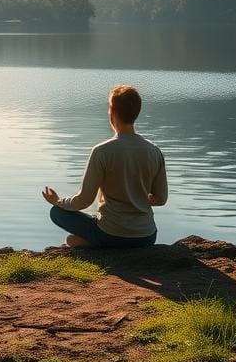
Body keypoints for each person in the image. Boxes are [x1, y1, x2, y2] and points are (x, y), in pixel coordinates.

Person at [42, 85, 168, 248]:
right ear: (137, 112)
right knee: (74, 237)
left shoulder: (102, 151)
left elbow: (84, 200)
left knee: (57, 213)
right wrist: (136, 198)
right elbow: (161, 199)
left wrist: (59, 201)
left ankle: (93, 244)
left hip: (111, 234)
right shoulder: (154, 151)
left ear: (111, 111)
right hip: (146, 236)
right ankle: (86, 242)